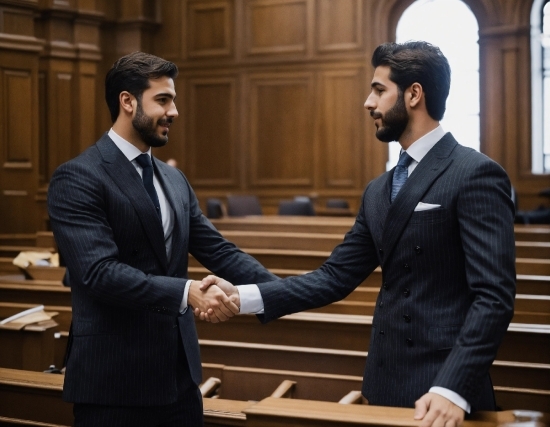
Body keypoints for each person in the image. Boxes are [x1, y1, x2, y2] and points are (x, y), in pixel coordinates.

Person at [198, 41, 516, 427]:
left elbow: (494, 297)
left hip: (446, 395)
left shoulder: (474, 173)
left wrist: (452, 388)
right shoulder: (378, 191)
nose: (369, 102)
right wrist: (243, 296)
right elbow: (334, 277)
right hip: (383, 384)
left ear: (414, 93)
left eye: (379, 90)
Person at [47, 51, 277, 426]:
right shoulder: (78, 177)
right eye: (163, 100)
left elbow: (217, 250)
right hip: (113, 383)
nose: (174, 111)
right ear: (127, 101)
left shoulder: (173, 179)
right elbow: (98, 273)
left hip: (178, 378)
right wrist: (187, 292)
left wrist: (279, 293)